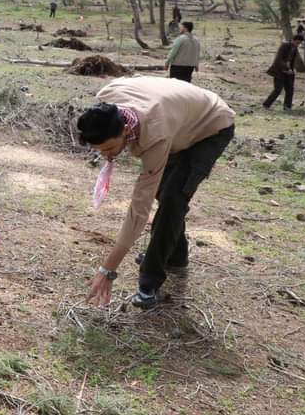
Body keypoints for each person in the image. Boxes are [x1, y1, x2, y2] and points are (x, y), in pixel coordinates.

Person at [77, 77, 235, 309]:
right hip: (178, 118)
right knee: (165, 191)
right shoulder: (108, 96)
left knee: (173, 198)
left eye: (109, 148)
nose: (106, 155)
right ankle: (177, 257)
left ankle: (149, 282)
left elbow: (139, 209)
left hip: (210, 125)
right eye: (100, 150)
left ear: (125, 129)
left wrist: (108, 269)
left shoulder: (155, 134)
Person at [263, 33, 304, 111]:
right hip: (279, 71)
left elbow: (291, 61)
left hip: (288, 72)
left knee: (290, 89)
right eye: (297, 42)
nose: (298, 44)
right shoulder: (284, 45)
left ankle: (287, 107)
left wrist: (291, 70)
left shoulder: (295, 48)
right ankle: (266, 105)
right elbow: (278, 59)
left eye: (299, 43)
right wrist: (286, 68)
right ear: (293, 40)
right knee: (278, 89)